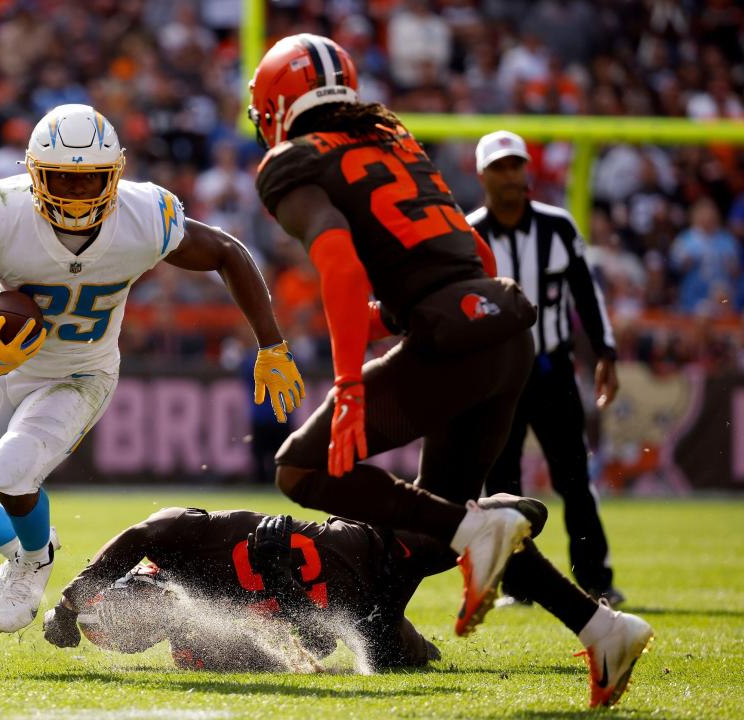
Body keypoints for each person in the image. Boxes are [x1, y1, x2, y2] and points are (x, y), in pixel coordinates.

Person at [245, 35, 651, 706]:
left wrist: (348, 384)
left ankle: (479, 529)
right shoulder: (394, 141)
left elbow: (342, 265)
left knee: (300, 468)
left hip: (455, 339)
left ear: (279, 106)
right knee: (432, 530)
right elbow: (473, 254)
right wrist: (407, 314)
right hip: (501, 331)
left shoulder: (296, 160)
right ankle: (600, 625)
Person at [0, 103, 306, 634]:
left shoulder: (144, 217)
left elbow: (227, 251)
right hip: (5, 370)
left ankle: (34, 565)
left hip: (82, 374)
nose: (76, 195)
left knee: (11, 469)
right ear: (34, 172)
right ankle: (25, 547)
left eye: (90, 181)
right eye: (62, 178)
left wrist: (271, 345)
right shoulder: (2, 217)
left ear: (116, 174)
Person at [43, 495, 549, 673]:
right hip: (365, 619)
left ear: (136, 582)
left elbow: (137, 535)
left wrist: (70, 603)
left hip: (367, 544)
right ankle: (417, 639)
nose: (147, 615)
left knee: (519, 515)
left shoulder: (176, 541)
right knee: (403, 659)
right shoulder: (201, 646)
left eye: (134, 610)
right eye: (140, 627)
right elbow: (318, 646)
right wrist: (284, 585)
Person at [467, 130, 624, 606]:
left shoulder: (557, 227)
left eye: (517, 165)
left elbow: (586, 294)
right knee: (502, 485)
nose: (512, 175)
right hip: (497, 376)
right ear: (483, 174)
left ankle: (595, 579)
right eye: (501, 167)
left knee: (573, 476)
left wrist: (606, 352)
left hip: (552, 367)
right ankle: (517, 584)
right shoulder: (470, 232)